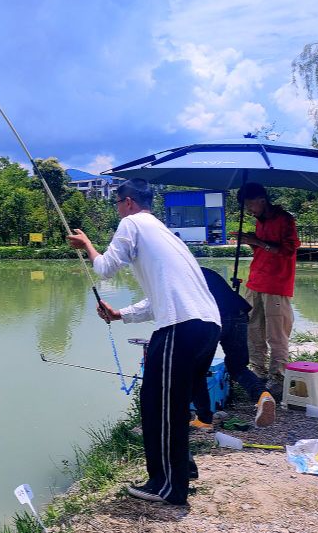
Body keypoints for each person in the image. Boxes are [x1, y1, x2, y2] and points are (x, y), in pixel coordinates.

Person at [67, 179, 220, 506]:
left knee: (156, 405)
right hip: (207, 325)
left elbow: (106, 268)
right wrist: (120, 314)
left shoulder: (131, 223)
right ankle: (183, 469)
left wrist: (87, 246)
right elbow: (156, 300)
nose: (118, 210)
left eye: (118, 203)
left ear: (128, 202)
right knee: (172, 404)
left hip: (181, 325)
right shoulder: (164, 235)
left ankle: (167, 486)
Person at [236, 183, 300, 398]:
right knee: (253, 329)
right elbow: (262, 248)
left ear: (261, 200)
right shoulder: (259, 220)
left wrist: (258, 242)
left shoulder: (284, 220)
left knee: (276, 333)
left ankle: (278, 376)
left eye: (250, 205)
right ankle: (258, 371)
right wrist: (250, 242)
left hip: (276, 283)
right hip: (256, 280)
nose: (249, 210)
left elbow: (288, 250)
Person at [191, 267, 275, 429]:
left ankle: (203, 419)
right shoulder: (206, 271)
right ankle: (262, 395)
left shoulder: (180, 276)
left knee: (196, 369)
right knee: (237, 366)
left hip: (214, 318)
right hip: (238, 314)